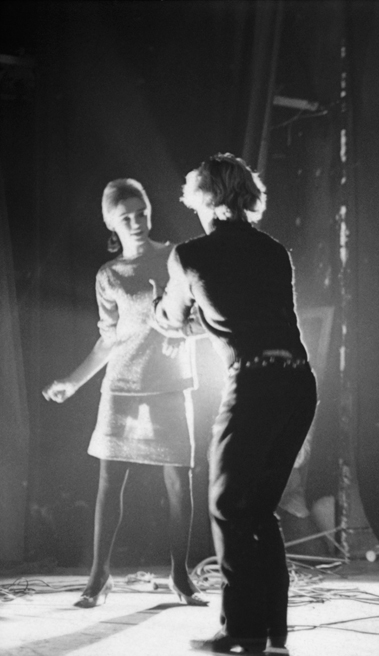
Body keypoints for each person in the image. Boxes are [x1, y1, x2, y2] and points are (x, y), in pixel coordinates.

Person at [154, 154, 317, 655]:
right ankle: (272, 634)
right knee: (258, 509)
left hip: (254, 384)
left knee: (227, 504)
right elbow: (251, 313)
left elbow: (171, 315)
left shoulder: (188, 255)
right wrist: (200, 325)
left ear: (204, 197)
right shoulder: (274, 251)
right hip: (297, 384)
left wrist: (171, 321)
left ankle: (241, 630)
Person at [42, 178, 207, 608]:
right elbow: (108, 339)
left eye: (141, 213)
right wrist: (73, 382)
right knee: (108, 482)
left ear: (150, 212)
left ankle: (180, 576)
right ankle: (99, 578)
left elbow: (203, 316)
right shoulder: (109, 275)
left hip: (170, 386)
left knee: (179, 483)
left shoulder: (176, 257)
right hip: (122, 387)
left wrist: (185, 334)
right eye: (125, 218)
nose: (136, 223)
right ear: (112, 226)